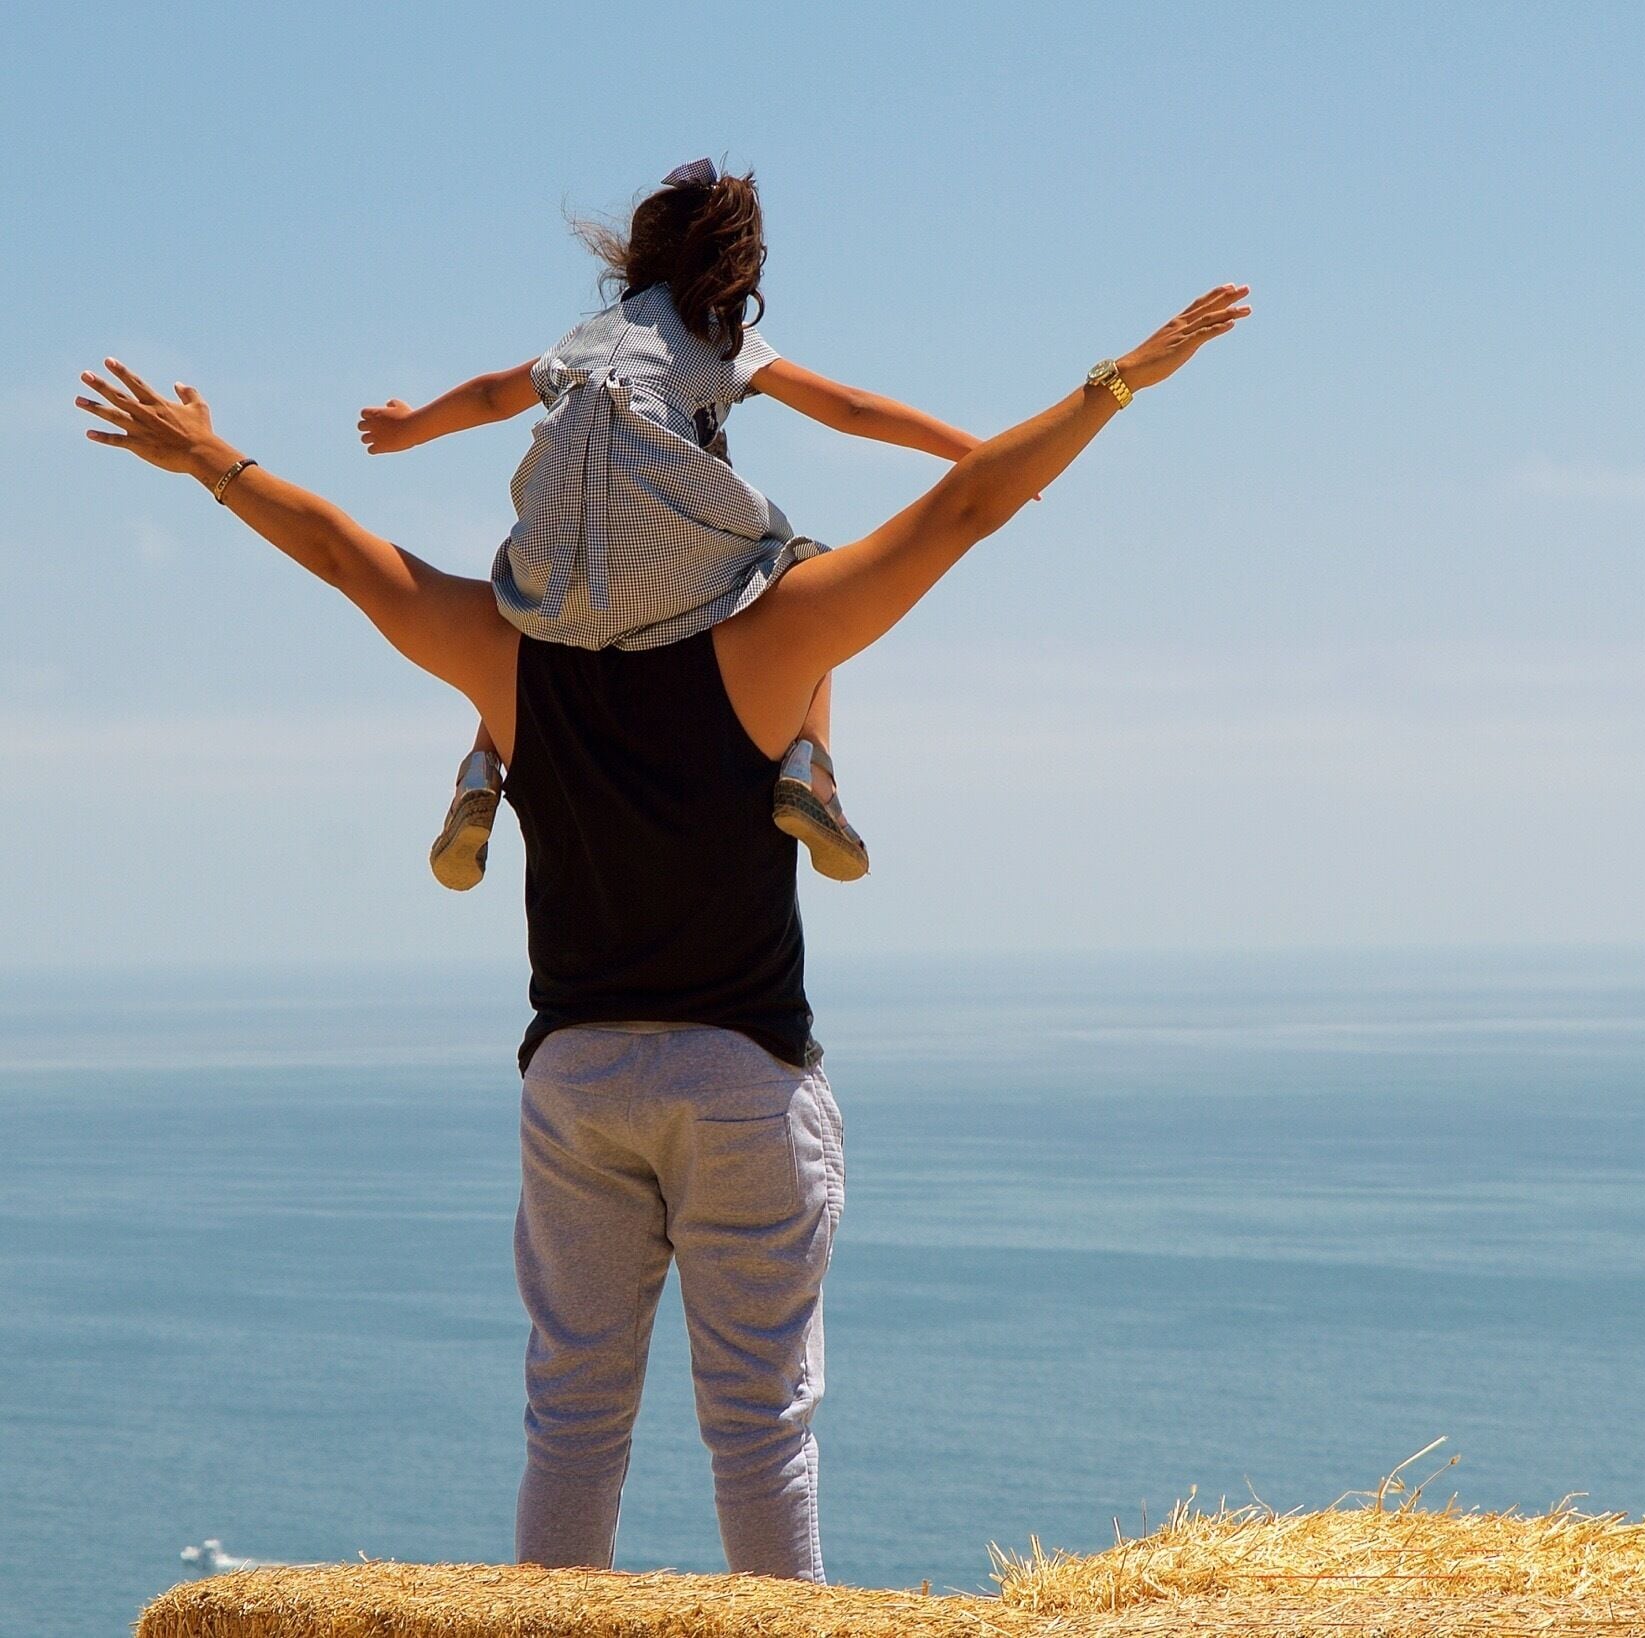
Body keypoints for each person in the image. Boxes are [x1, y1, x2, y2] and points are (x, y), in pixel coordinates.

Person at [74, 279, 1249, 1582]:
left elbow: (351, 554)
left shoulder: (501, 657)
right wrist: (1118, 381)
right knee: (759, 1432)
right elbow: (964, 507)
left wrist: (207, 459)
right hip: (739, 1075)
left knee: (572, 1426)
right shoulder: (775, 639)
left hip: (576, 1078)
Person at [359, 158, 984, 889]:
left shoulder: (584, 336)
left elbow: (493, 396)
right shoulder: (718, 336)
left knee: (518, 624)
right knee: (806, 572)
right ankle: (811, 770)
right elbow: (848, 408)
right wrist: (970, 450)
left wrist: (411, 428)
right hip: (660, 571)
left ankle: (477, 775)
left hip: (550, 576)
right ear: (733, 265)